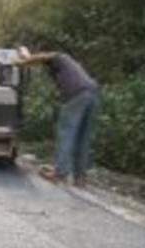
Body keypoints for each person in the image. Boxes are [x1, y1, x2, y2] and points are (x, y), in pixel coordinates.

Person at [16, 47, 100, 187]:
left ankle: (59, 174)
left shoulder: (59, 57)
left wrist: (23, 61)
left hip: (76, 95)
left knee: (66, 134)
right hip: (92, 94)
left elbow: (41, 57)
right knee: (83, 138)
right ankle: (80, 178)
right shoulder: (70, 65)